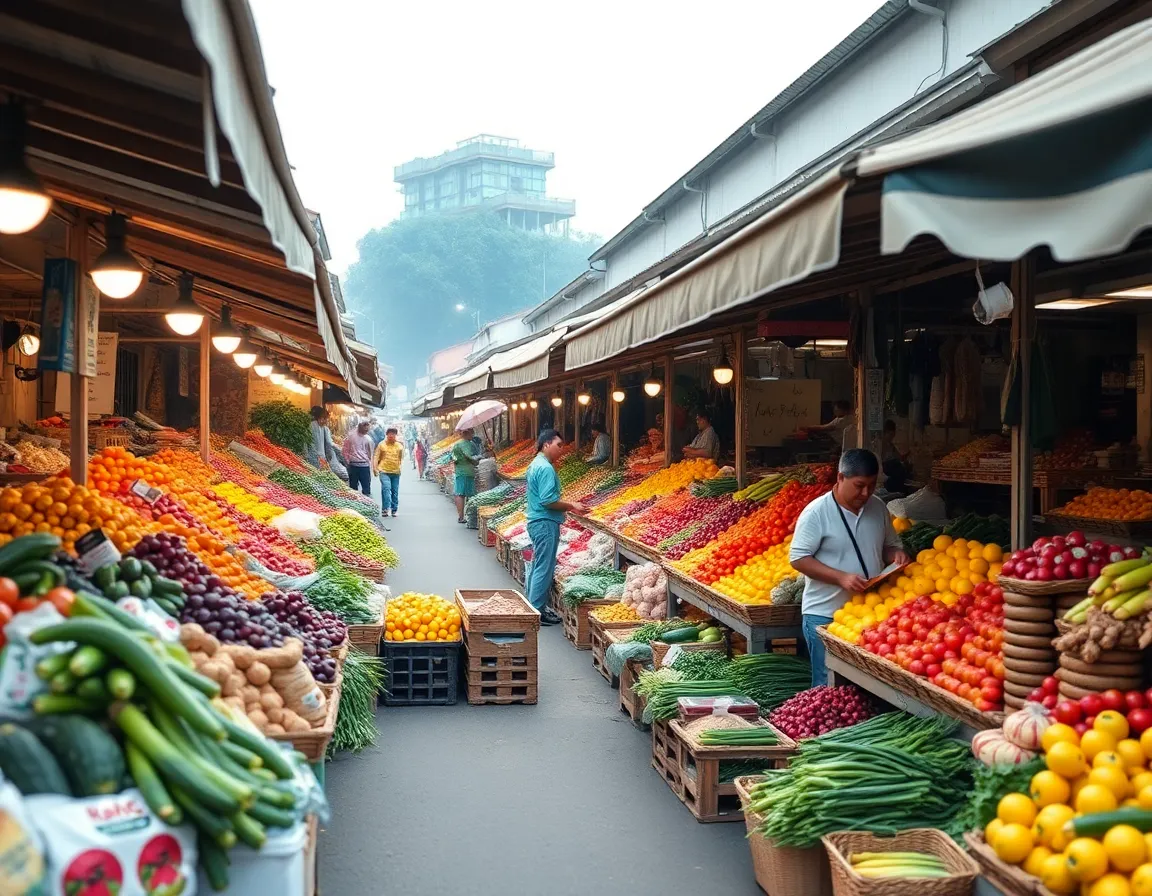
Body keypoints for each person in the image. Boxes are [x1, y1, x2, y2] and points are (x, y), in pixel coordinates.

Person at [789, 449, 909, 687]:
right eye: (859, 485)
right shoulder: (816, 512)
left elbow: (889, 545)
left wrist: (896, 555)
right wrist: (840, 577)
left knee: (859, 691)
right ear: (840, 477)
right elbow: (798, 558)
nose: (865, 493)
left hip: (868, 614)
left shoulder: (877, 507)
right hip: (824, 615)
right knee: (827, 686)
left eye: (872, 486)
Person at [526, 430, 586, 625]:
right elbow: (548, 501)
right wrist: (572, 505)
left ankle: (532, 607)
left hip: (537, 521)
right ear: (546, 444)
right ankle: (536, 611)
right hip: (545, 522)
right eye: (558, 445)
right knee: (544, 566)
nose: (562, 449)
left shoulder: (535, 464)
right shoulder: (545, 468)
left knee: (538, 564)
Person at [373, 427, 404, 517]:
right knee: (386, 489)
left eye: (393, 434)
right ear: (387, 435)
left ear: (395, 435)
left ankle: (394, 509)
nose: (391, 436)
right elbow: (376, 457)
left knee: (395, 491)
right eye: (389, 434)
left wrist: (400, 468)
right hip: (384, 471)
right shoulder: (381, 445)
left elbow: (400, 458)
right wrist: (375, 468)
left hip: (395, 472)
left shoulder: (399, 446)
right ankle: (386, 508)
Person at [452, 428, 479, 523]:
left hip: (459, 471)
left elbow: (453, 458)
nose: (473, 435)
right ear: (467, 434)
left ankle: (461, 516)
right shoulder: (467, 444)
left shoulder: (456, 444)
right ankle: (465, 517)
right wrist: (475, 461)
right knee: (465, 494)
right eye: (472, 433)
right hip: (467, 471)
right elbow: (468, 455)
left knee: (460, 493)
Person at [342, 420, 374, 498]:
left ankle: (366, 503)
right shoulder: (351, 437)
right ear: (360, 427)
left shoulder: (368, 439)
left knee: (365, 488)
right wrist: (348, 460)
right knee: (354, 488)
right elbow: (345, 450)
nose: (366, 430)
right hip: (354, 465)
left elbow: (370, 453)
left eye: (367, 429)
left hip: (363, 465)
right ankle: (356, 504)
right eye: (365, 428)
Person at [880, 419, 908, 493]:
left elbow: (899, 457)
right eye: (890, 435)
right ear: (885, 433)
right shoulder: (880, 444)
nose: (892, 437)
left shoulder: (891, 445)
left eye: (893, 435)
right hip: (885, 469)